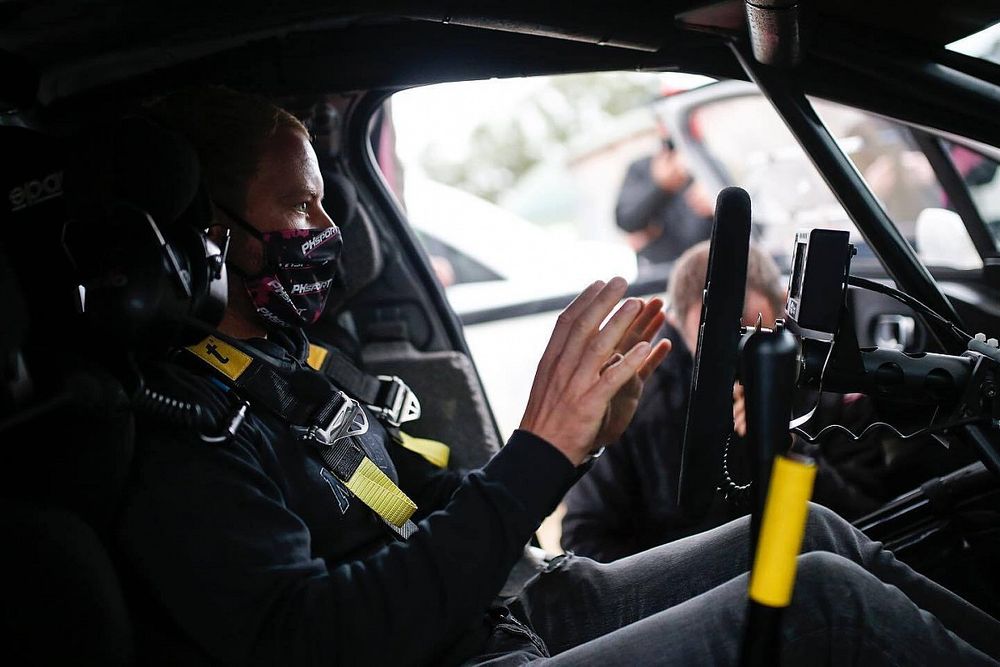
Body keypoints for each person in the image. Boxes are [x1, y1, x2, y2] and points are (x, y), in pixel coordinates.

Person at [117, 87, 1000, 666]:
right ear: (209, 237)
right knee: (823, 604)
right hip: (474, 653)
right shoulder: (185, 432)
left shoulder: (292, 372)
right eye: (297, 205)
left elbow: (432, 512)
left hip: (518, 603)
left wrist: (576, 444)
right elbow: (316, 639)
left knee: (808, 531)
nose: (324, 226)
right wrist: (538, 452)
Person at [561, 242, 887, 562]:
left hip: (800, 568)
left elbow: (869, 526)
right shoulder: (637, 399)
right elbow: (587, 540)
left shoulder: (826, 382)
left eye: (755, 336)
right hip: (682, 594)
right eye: (715, 348)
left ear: (786, 308)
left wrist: (790, 451)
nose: (738, 361)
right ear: (676, 327)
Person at [614, 118, 715, 272]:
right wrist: (660, 188)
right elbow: (626, 220)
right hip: (661, 272)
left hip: (707, 266)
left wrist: (715, 207)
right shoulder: (643, 168)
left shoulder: (708, 166)